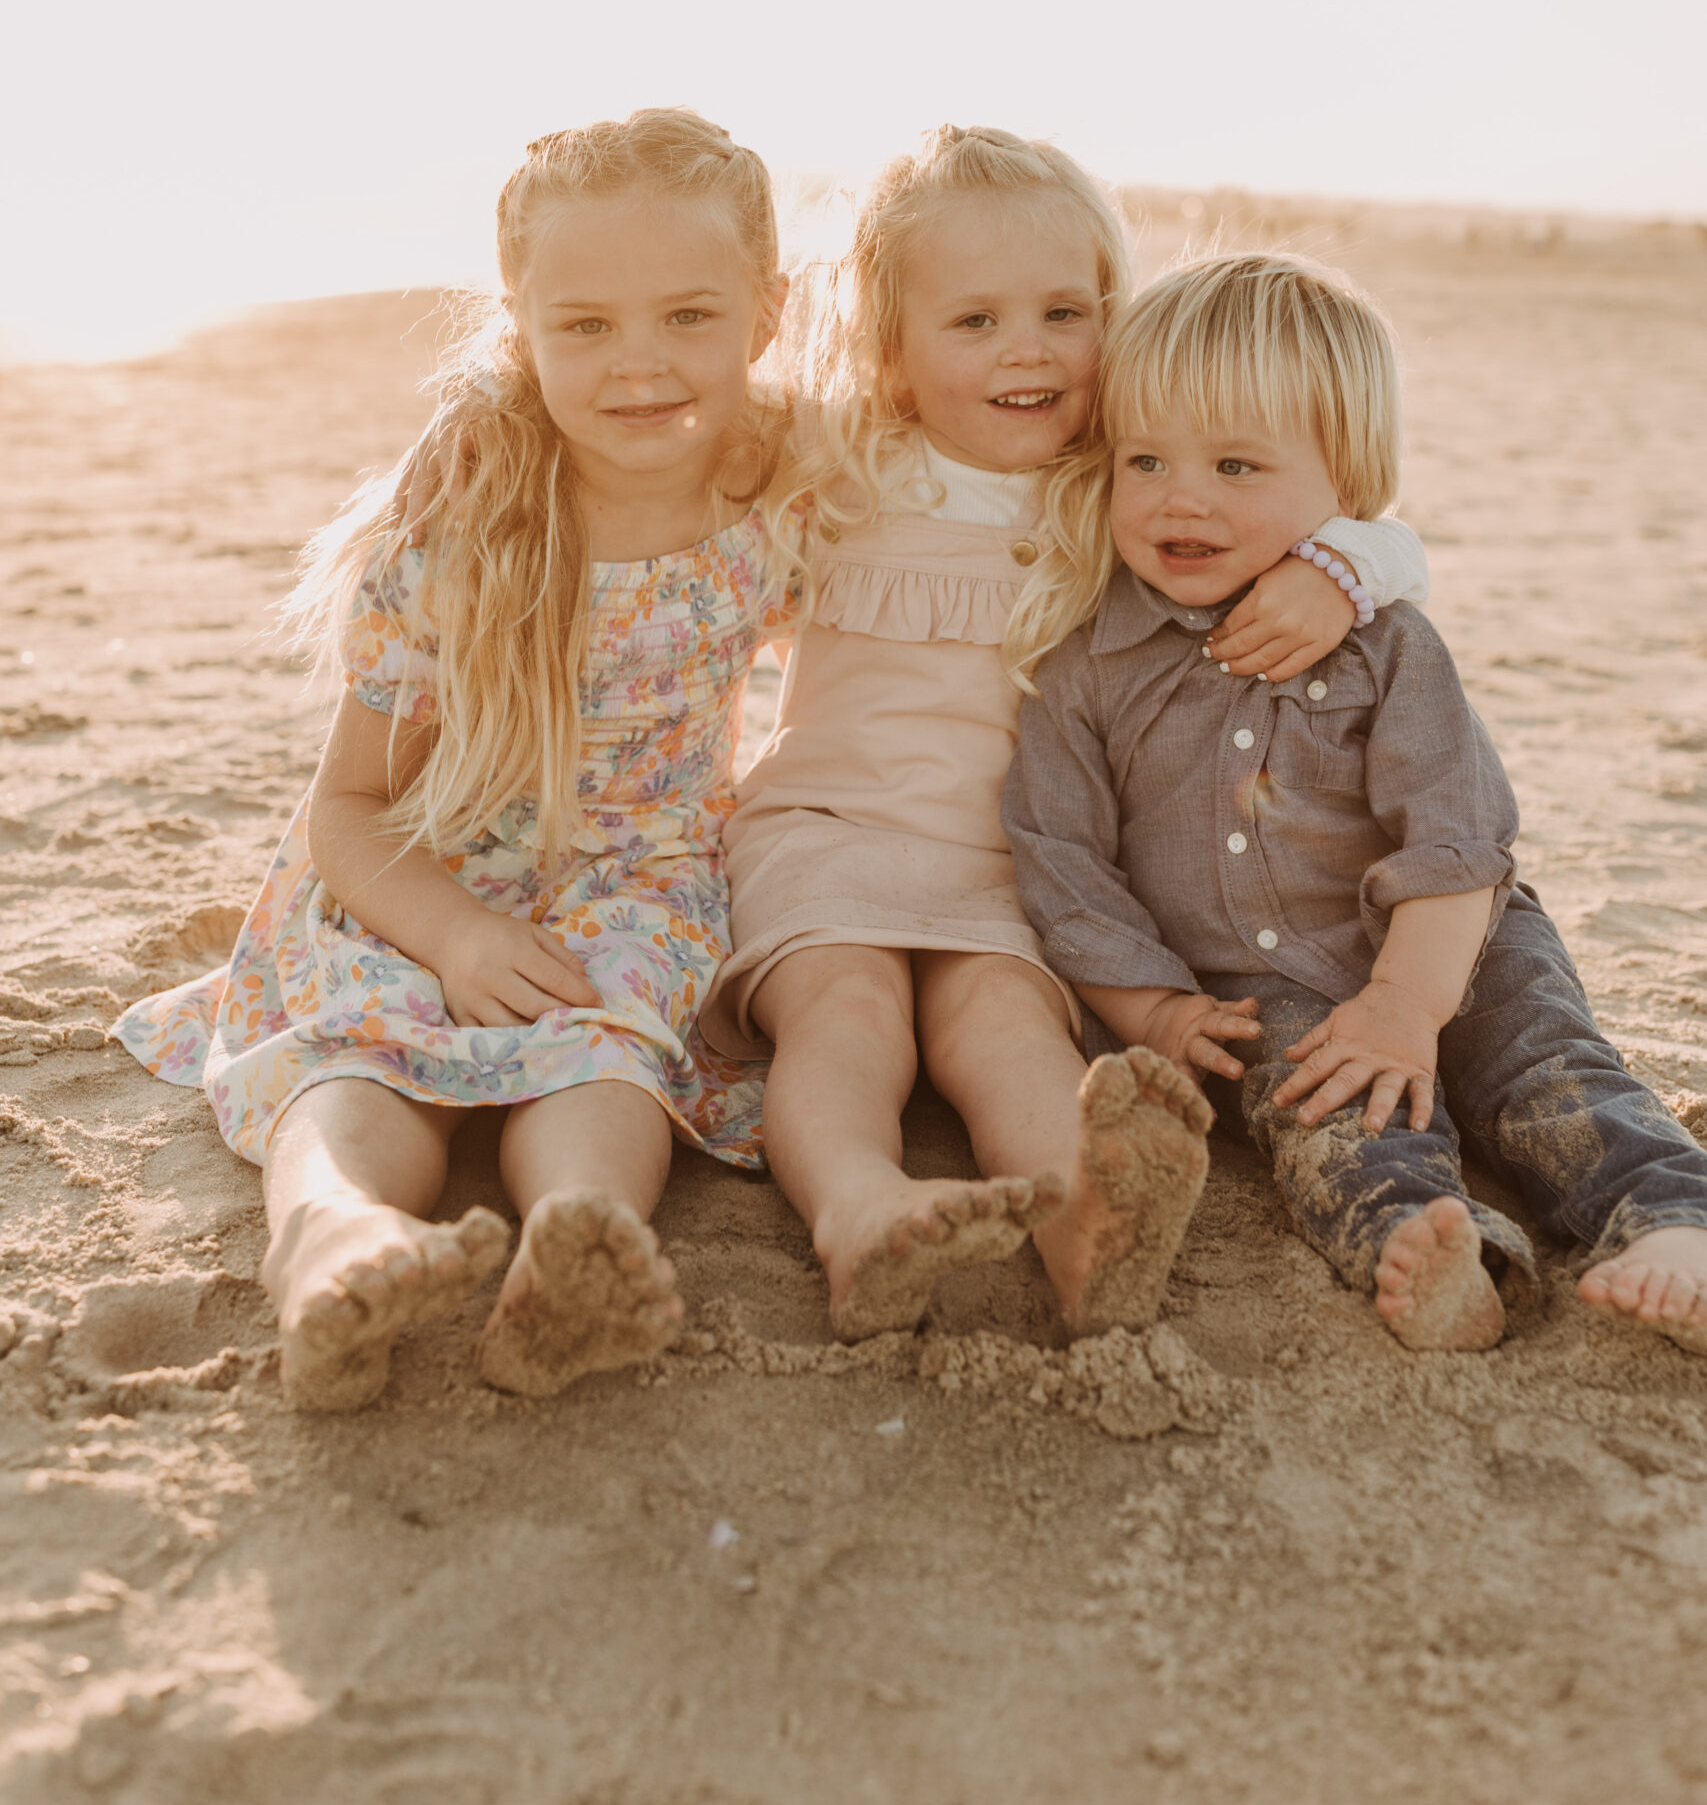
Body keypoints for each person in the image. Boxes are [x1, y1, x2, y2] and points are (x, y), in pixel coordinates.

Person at [116, 110, 796, 1409]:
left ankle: (577, 1243)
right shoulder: (467, 526)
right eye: (585, 325)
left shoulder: (782, 480)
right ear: (519, 319)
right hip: (424, 869)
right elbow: (351, 809)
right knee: (360, 1053)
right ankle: (332, 1236)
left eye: (686, 317)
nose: (639, 365)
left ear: (765, 313)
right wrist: (457, 936)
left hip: (640, 870)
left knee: (610, 1042)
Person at [701, 130, 1428, 1340]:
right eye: (973, 321)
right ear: (891, 345)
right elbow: (654, 451)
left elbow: (1370, 520)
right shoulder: (833, 461)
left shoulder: (1125, 485)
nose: (1026, 348)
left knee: (1006, 1033)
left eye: (1062, 311)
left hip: (1022, 870)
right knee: (848, 1017)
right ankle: (859, 1211)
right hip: (826, 836)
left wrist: (1347, 571)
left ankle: (1083, 1228)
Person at [1003, 251, 1707, 1353]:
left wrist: (1408, 1004)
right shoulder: (1089, 669)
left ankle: (1671, 1219)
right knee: (1329, 1119)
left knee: (1548, 1068)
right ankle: (1433, 1250)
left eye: (1236, 465)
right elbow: (1064, 863)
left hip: (1451, 947)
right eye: (1144, 458)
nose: (1180, 496)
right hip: (1263, 992)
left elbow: (1459, 839)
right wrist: (1157, 1012)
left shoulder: (1385, 644)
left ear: (1347, 482)